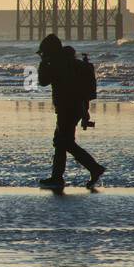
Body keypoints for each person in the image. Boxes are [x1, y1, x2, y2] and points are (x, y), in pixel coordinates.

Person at [37, 34, 103, 188]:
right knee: (61, 142)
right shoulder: (71, 62)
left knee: (64, 142)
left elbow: (43, 81)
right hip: (76, 108)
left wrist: (42, 63)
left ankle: (94, 168)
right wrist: (85, 112)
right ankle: (57, 177)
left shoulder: (57, 63)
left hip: (67, 108)